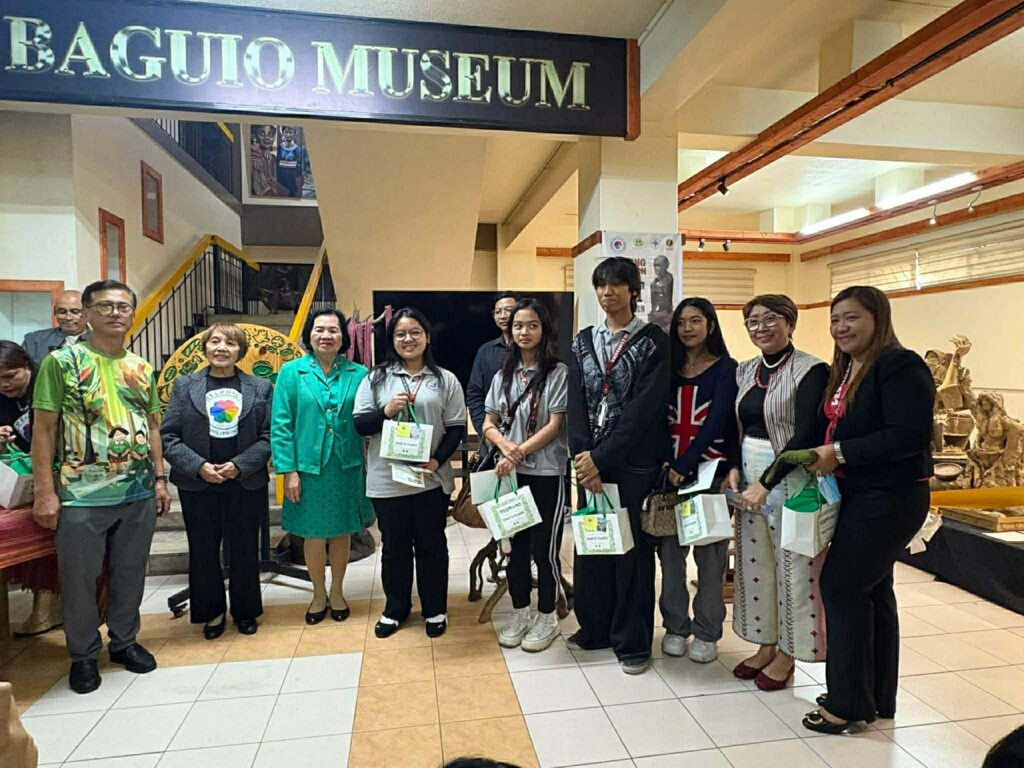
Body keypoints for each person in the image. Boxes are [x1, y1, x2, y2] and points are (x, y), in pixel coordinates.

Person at [801, 286, 934, 733]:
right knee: (874, 591)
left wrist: (837, 452)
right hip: (860, 495)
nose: (841, 327)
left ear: (878, 318)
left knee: (841, 586)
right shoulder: (847, 369)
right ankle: (875, 695)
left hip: (891, 498)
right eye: (836, 319)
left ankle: (846, 704)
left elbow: (906, 437)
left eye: (852, 318)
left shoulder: (900, 365)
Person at [30, 279, 171, 695]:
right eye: (104, 306)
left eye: (123, 307)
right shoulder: (62, 362)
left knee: (130, 574)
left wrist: (160, 479)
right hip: (80, 494)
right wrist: (44, 491)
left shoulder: (141, 368)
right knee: (79, 578)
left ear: (132, 314)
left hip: (138, 491)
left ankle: (124, 642)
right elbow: (43, 429)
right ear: (87, 313)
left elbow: (153, 426)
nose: (114, 313)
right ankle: (84, 655)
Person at [567, 257, 670, 675]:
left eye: (617, 285)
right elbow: (575, 402)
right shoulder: (581, 341)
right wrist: (582, 455)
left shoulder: (653, 341)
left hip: (632, 466)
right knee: (592, 547)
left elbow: (644, 410)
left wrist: (600, 457)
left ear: (633, 291)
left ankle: (632, 643)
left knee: (631, 556)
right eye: (602, 286)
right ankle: (594, 629)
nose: (608, 293)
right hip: (588, 464)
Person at [727, 294, 829, 691]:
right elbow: (734, 424)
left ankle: (790, 653)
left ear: (790, 322)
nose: (761, 328)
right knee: (757, 564)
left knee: (795, 568)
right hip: (749, 474)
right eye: (752, 322)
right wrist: (734, 467)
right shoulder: (745, 370)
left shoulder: (811, 370)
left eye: (771, 319)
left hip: (791, 478)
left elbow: (806, 433)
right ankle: (767, 643)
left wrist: (764, 483)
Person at [353, 308, 467, 639]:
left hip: (430, 480)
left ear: (427, 337)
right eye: (401, 334)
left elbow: (457, 427)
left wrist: (436, 461)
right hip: (388, 481)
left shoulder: (445, 379)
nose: (408, 339)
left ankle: (435, 608)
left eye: (415, 332)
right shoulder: (375, 378)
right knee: (395, 547)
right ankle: (396, 608)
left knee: (432, 545)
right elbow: (360, 424)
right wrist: (387, 411)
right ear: (392, 340)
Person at [161, 323, 273, 640]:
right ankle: (211, 612)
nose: (222, 347)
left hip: (245, 481)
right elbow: (169, 435)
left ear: (241, 350)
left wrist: (240, 465)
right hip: (199, 483)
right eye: (215, 341)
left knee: (244, 549)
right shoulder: (185, 386)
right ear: (205, 348)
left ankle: (246, 610)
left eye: (230, 343)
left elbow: (269, 436)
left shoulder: (260, 386)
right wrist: (198, 466)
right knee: (203, 549)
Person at [271, 309, 373, 625]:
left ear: (343, 336)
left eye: (333, 330)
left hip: (346, 464)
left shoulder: (359, 373)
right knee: (313, 535)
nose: (326, 335)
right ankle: (318, 593)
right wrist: (288, 471)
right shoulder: (292, 372)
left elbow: (368, 417)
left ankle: (338, 590)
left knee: (342, 533)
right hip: (306, 469)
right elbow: (281, 424)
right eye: (319, 329)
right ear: (309, 335)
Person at [485, 299, 569, 653]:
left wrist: (517, 452)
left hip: (547, 473)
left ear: (544, 329)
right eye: (518, 325)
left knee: (544, 549)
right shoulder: (503, 375)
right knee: (514, 549)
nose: (524, 331)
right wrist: (505, 446)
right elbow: (488, 421)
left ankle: (547, 615)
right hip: (510, 477)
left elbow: (555, 424)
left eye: (532, 325)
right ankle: (520, 611)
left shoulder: (558, 372)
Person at [659, 298, 738, 663]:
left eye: (696, 321)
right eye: (681, 323)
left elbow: (719, 420)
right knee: (671, 560)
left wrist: (687, 464)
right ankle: (676, 626)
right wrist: (667, 462)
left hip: (710, 475)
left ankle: (707, 632)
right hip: (669, 477)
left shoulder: (727, 369)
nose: (687, 328)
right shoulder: (667, 368)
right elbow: (656, 418)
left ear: (710, 325)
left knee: (710, 560)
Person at [0, 341, 62, 637]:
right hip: (19, 475)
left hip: (57, 472)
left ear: (26, 366)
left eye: (11, 376)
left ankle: (49, 607)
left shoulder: (47, 382)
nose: (4, 384)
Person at [467, 292, 518, 437]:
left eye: (508, 310)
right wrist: (485, 430)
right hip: (492, 432)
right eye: (498, 312)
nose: (502, 316)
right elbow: (474, 393)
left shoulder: (534, 350)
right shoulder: (486, 350)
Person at [21, 290, 89, 364]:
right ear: (55, 312)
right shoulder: (34, 341)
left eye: (75, 312)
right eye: (62, 311)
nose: (68, 318)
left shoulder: (101, 341)